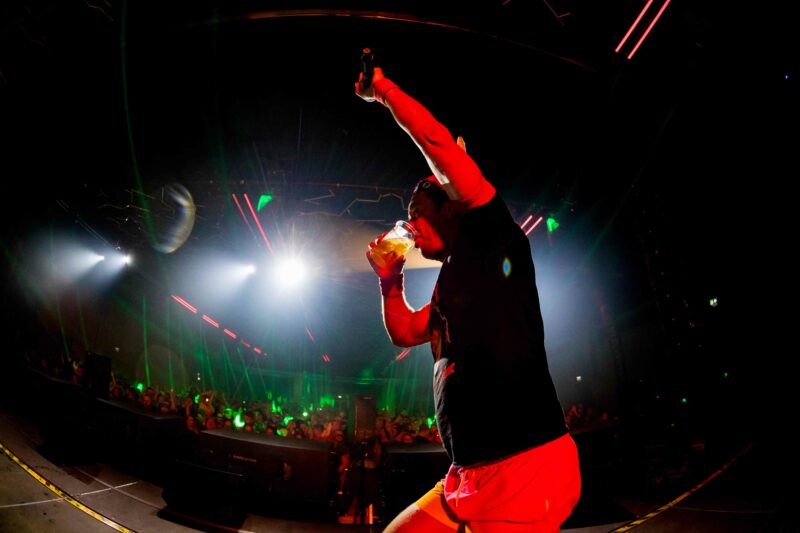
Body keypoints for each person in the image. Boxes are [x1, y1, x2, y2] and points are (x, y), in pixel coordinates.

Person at [356, 66, 581, 532]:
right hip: (468, 473)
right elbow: (404, 331)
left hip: (526, 465)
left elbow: (436, 144)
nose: (410, 226)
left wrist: (383, 91)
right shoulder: (449, 283)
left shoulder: (492, 234)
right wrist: (390, 282)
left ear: (453, 206)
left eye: (417, 212)